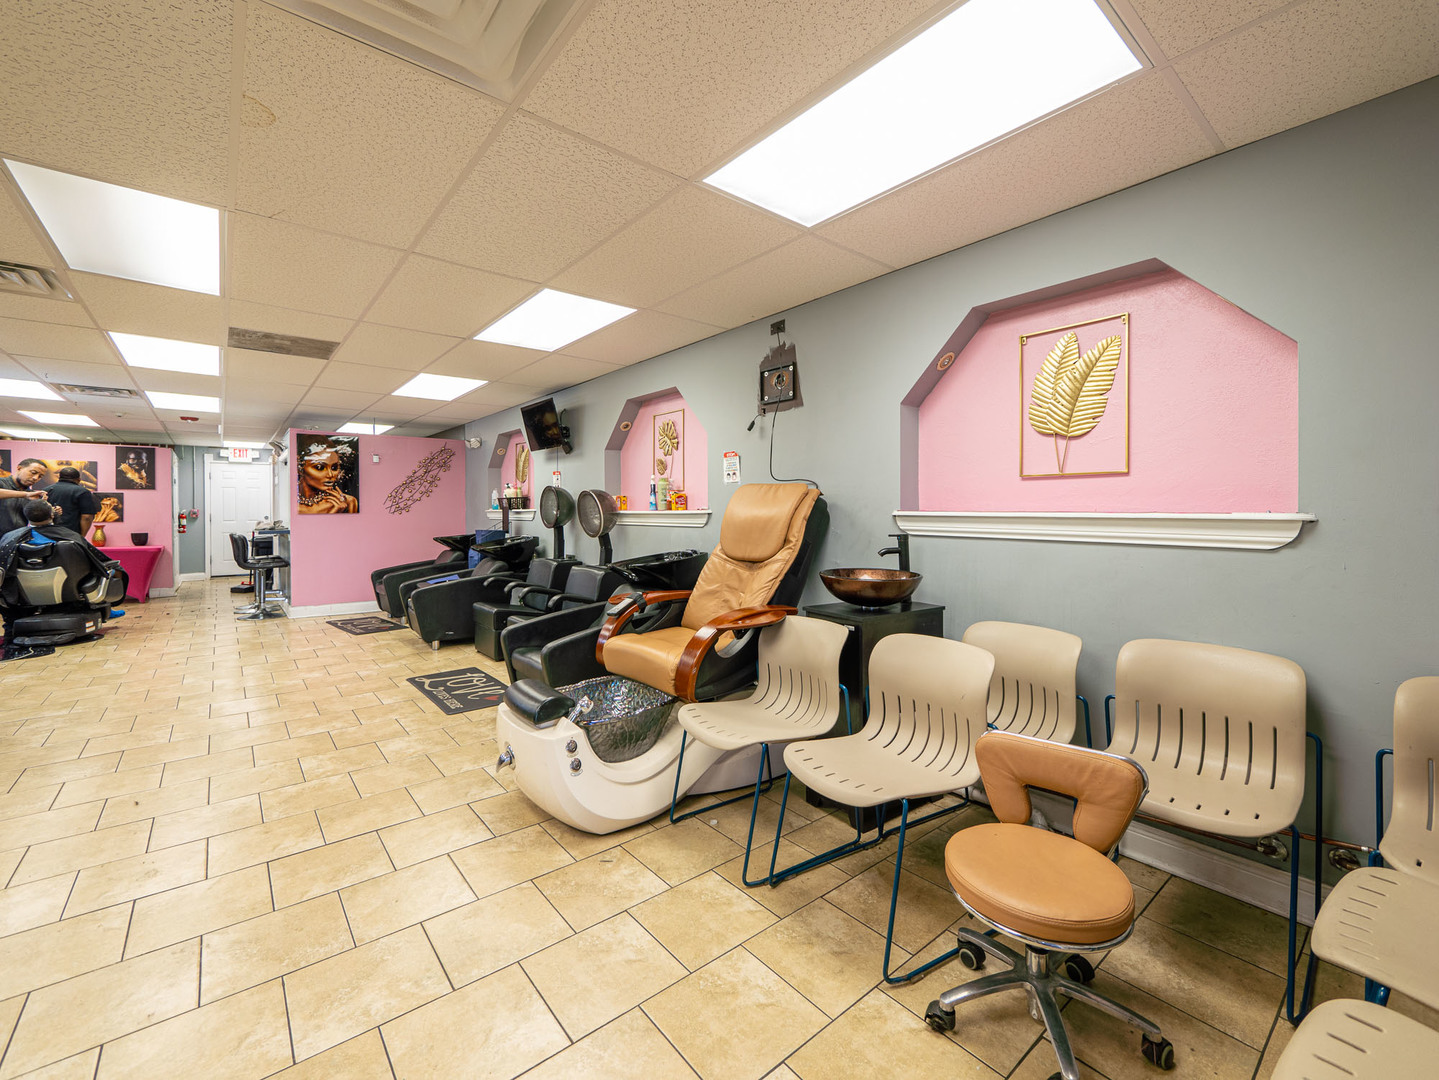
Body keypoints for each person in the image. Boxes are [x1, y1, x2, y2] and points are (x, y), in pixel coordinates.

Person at [0, 500, 127, 644]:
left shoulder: (10, 539)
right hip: (69, 590)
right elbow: (94, 563)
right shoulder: (69, 538)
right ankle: (106, 609)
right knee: (112, 570)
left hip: (22, 595)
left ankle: (11, 626)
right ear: (52, 514)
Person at [296, 436, 358, 514]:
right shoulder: (290, 505)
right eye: (320, 467)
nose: (330, 474)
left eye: (334, 467)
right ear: (300, 468)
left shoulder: (349, 501)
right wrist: (333, 512)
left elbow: (351, 526)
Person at [45, 466, 101, 538]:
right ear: (78, 480)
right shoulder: (83, 492)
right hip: (71, 535)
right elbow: (87, 517)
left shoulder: (46, 490)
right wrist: (82, 537)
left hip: (48, 534)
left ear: (59, 477)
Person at [0, 459, 50, 533]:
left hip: (16, 539)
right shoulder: (2, 483)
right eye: (33, 472)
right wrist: (25, 494)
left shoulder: (33, 495)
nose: (35, 478)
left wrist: (45, 508)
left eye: (40, 476)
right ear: (19, 468)